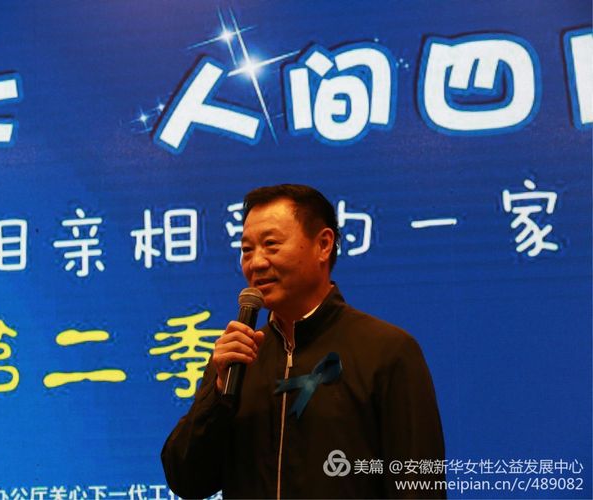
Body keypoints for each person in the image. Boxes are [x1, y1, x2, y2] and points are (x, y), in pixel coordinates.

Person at [161, 184, 445, 499]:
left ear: (323, 245)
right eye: (246, 249)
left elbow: (419, 484)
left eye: (271, 244)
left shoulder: (387, 351)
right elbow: (186, 480)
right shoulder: (236, 359)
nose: (256, 263)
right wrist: (217, 397)